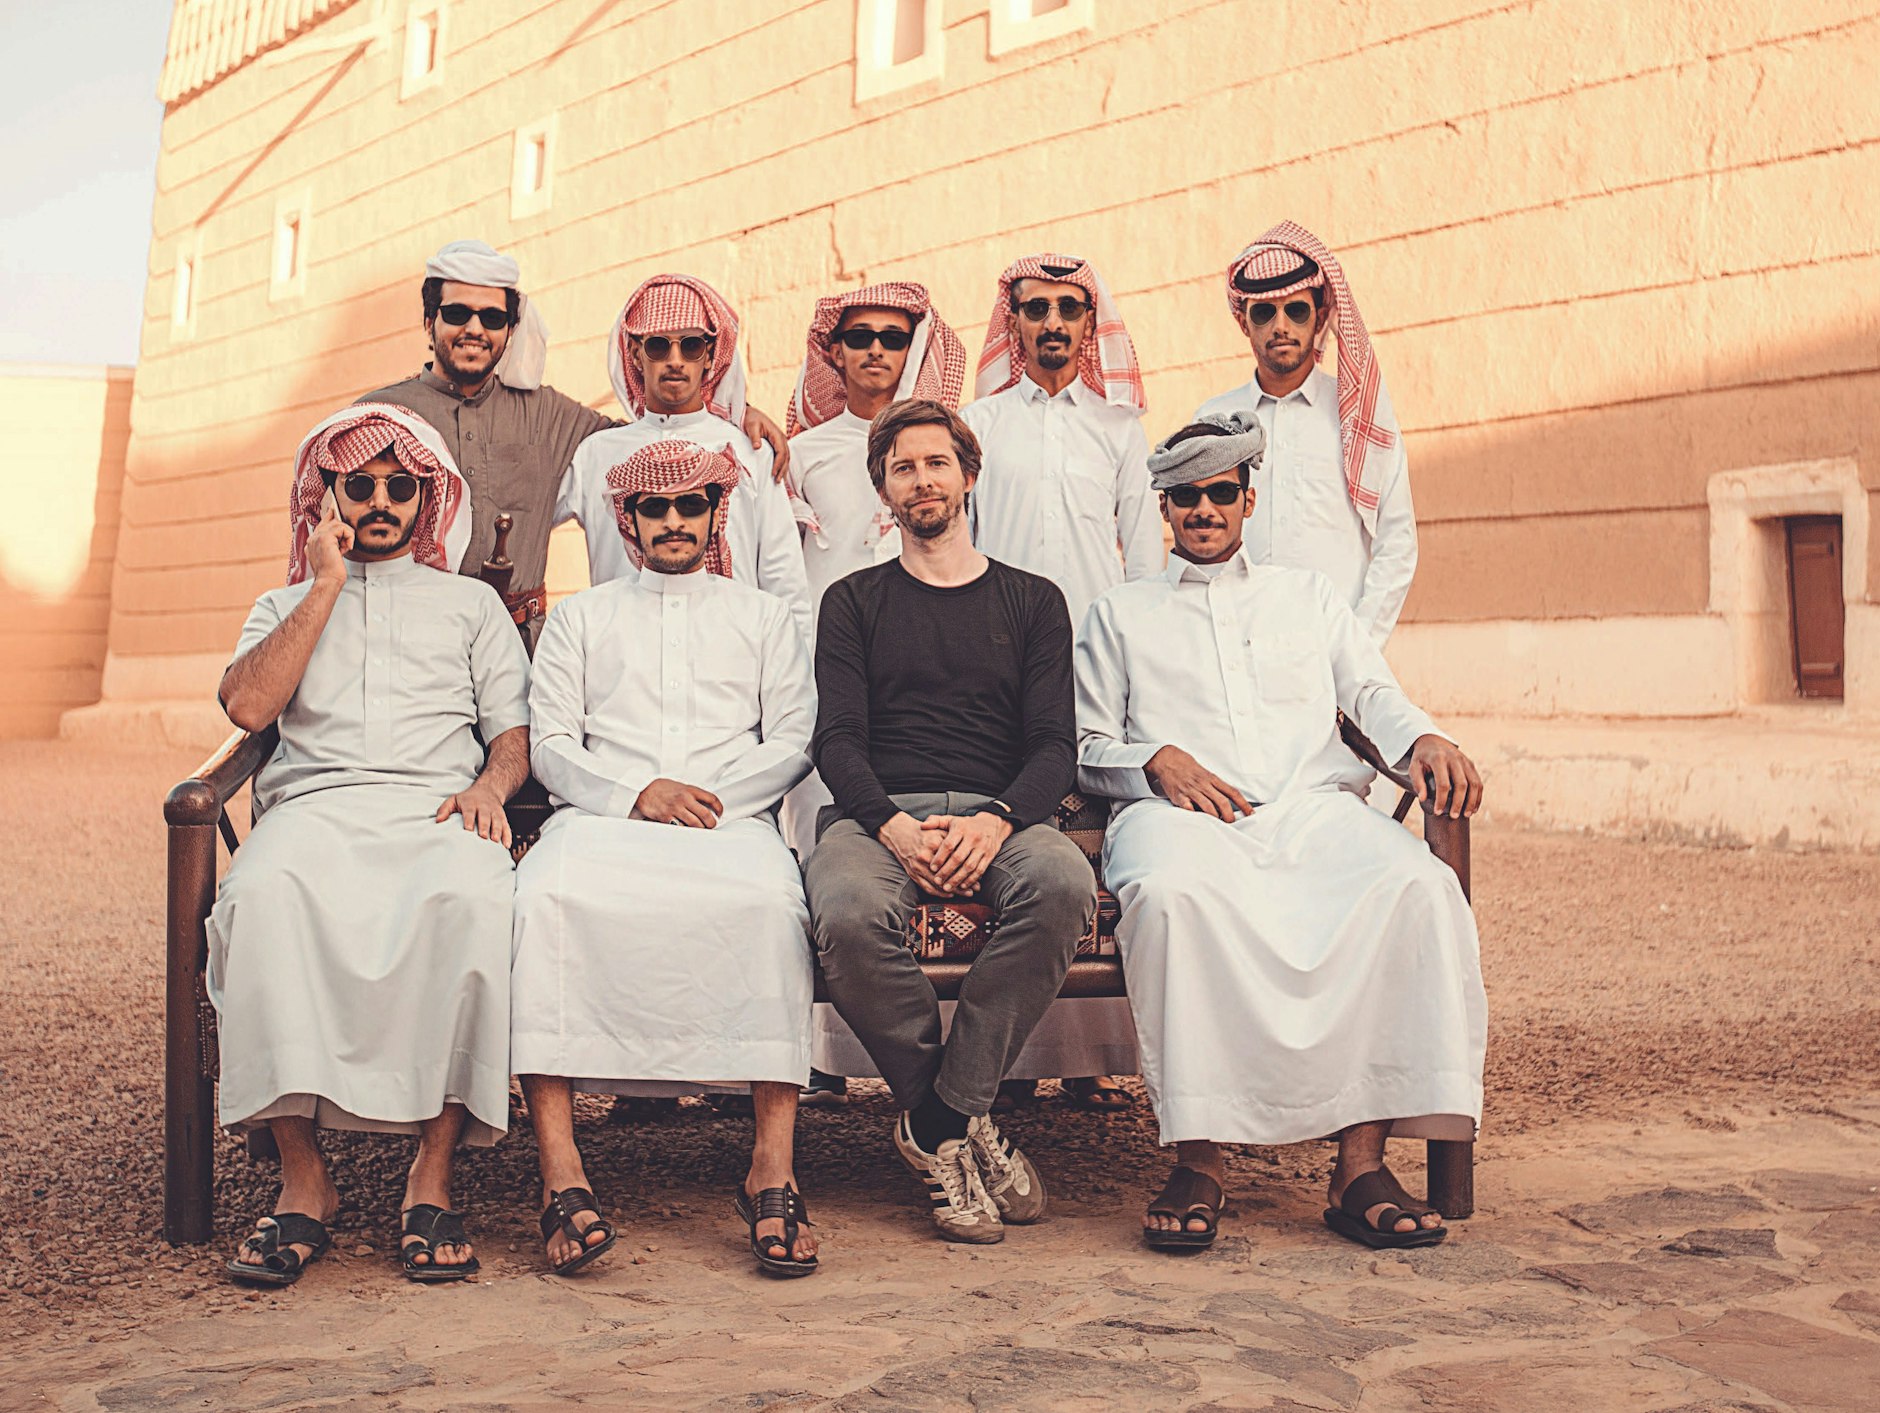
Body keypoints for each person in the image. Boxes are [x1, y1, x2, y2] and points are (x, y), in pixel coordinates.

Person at [1072, 413, 1487, 1252]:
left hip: (1311, 810)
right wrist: (1154, 761)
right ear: (1165, 508)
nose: (1203, 510)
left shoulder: (1309, 596)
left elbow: (1372, 695)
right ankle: (1199, 1156)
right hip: (1181, 818)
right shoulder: (1120, 612)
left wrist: (1423, 740)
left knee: (1415, 887)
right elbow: (1084, 746)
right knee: (1170, 897)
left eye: (1220, 493)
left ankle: (1359, 1166)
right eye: (1184, 497)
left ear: (1247, 498)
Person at [212, 405, 532, 1286]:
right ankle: (304, 1179)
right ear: (330, 496)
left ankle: (430, 1175)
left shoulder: (471, 605)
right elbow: (246, 707)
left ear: (428, 497)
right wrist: (323, 585)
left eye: (402, 486)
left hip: (435, 812)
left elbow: (512, 733)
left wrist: (488, 788)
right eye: (362, 485)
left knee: (472, 899)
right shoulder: (285, 601)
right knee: (260, 897)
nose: (383, 501)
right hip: (315, 810)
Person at [511, 439, 821, 1277]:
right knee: (542, 902)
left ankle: (772, 1167)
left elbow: (793, 738)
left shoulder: (761, 616)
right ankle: (562, 1172)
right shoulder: (582, 616)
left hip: (730, 820)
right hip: (603, 822)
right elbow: (551, 745)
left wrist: (708, 797)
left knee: (769, 909)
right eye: (658, 508)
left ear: (719, 514)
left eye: (693, 506)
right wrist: (638, 792)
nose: (676, 521)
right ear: (629, 519)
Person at [805, 399, 1095, 1244]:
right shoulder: (851, 602)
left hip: (997, 814)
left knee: (1062, 880)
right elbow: (837, 739)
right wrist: (890, 824)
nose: (922, 479)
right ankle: (965, 1123)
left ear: (969, 475)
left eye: (937, 462)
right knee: (849, 911)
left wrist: (1000, 821)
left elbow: (1054, 746)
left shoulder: (1033, 602)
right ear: (882, 491)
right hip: (877, 816)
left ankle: (934, 1123)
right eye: (903, 467)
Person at [361, 240, 787, 649]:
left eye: (491, 318)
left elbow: (656, 440)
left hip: (518, 648)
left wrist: (731, 413)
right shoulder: (378, 414)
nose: (475, 329)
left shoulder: (552, 417)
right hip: (407, 639)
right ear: (428, 321)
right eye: (457, 313)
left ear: (510, 329)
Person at [961, 252, 1161, 1110]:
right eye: (1035, 310)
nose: (1052, 325)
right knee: (1010, 840)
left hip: (1093, 660)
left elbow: (1146, 562)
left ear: (1090, 325)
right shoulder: (976, 425)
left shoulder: (1119, 431)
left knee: (1093, 841)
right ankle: (1002, 1059)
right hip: (993, 664)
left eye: (1068, 311)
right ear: (1014, 325)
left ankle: (1089, 1056)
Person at [780, 280, 967, 1107]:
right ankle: (819, 1051)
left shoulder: (939, 452)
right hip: (833, 665)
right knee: (825, 839)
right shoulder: (804, 450)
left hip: (919, 671)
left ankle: (931, 1063)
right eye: (858, 337)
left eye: (894, 337)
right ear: (835, 350)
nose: (876, 352)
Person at [556, 273, 812, 642]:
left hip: (731, 655)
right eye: (658, 346)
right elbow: (525, 518)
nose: (675, 361)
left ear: (709, 355)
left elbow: (784, 579)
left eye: (690, 346)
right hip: (624, 656)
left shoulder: (749, 449)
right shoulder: (596, 453)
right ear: (634, 353)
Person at [1194, 221, 1415, 645]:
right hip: (1234, 648)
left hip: (1332, 649)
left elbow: (1397, 541)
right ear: (1244, 323)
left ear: (1319, 320)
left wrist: (1359, 647)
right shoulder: (1214, 418)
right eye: (1265, 312)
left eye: (1296, 310)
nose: (1280, 326)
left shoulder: (1357, 414)